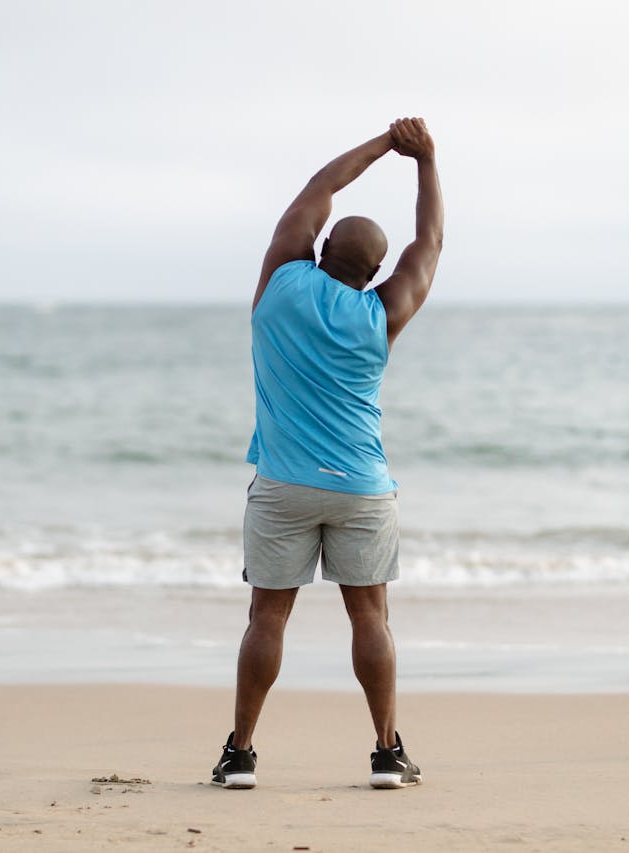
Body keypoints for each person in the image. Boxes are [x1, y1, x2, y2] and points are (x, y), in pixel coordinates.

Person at [212, 118, 444, 790]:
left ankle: (241, 754)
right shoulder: (382, 313)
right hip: (362, 488)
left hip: (282, 484)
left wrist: (382, 144)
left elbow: (320, 186)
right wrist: (426, 161)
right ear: (373, 271)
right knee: (369, 615)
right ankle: (386, 751)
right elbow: (428, 244)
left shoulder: (280, 284)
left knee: (267, 615)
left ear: (319, 250)